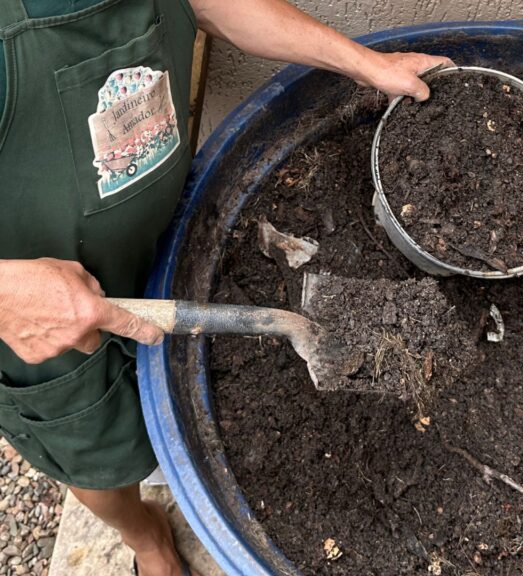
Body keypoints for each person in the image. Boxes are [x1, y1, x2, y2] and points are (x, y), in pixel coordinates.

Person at [0, 0, 451, 574]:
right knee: (90, 455)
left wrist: (363, 63)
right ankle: (145, 537)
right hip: (39, 313)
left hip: (155, 238)